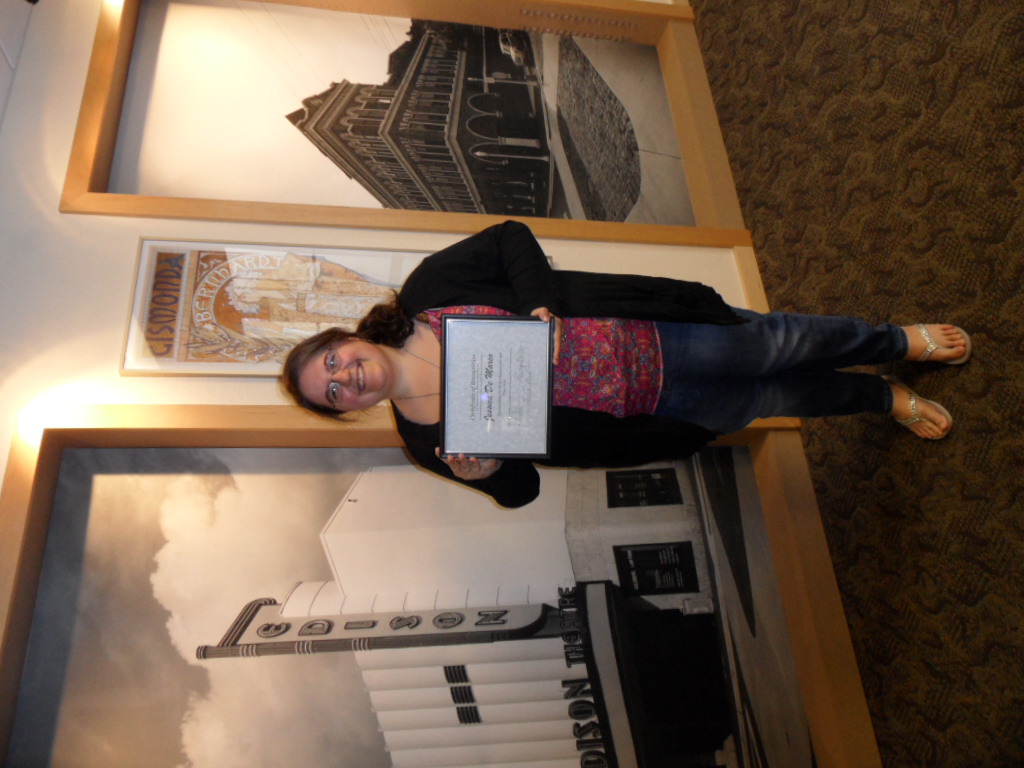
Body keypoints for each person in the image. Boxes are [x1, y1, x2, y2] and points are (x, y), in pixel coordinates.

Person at [283, 221, 970, 507]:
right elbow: (522, 492)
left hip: (654, 334)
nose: (344, 378)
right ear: (347, 409)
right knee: (774, 398)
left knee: (778, 345)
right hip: (649, 413)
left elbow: (510, 240)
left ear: (344, 338)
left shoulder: (429, 292)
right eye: (333, 392)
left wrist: (541, 306)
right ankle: (881, 400)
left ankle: (890, 343)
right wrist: (487, 473)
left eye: (333, 362)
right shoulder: (423, 442)